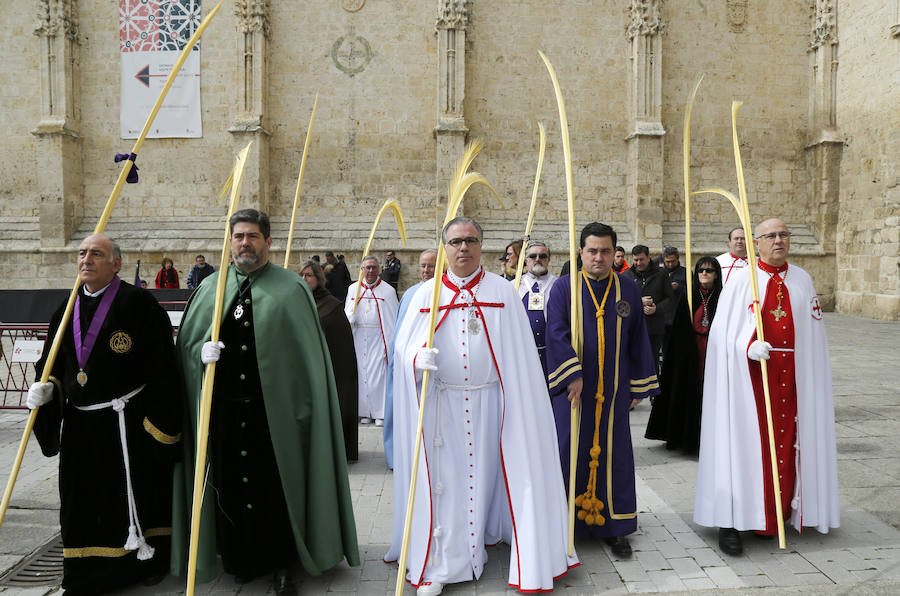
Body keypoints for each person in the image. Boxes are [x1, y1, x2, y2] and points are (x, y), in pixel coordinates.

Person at [386, 217, 578, 595]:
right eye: (456, 241)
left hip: (493, 402)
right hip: (442, 406)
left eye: (471, 240)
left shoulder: (503, 292)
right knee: (449, 484)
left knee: (492, 475)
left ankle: (491, 538)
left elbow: (521, 356)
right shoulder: (426, 294)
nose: (463, 248)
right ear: (445, 247)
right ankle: (445, 562)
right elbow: (402, 348)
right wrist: (414, 360)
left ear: (481, 246)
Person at [173, 209, 359, 595]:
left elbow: (308, 362)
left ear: (268, 242)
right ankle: (240, 558)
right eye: (239, 236)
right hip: (224, 411)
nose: (246, 243)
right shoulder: (211, 288)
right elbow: (189, 348)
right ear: (230, 241)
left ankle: (282, 564)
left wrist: (304, 409)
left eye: (253, 236)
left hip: (275, 417)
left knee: (275, 489)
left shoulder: (291, 290)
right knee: (231, 487)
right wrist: (199, 356)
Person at [29, 233, 180, 594]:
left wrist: (158, 426)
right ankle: (83, 571)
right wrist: (47, 388)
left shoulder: (140, 305)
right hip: (82, 425)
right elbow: (56, 364)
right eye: (82, 253)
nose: (86, 260)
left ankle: (140, 564)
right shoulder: (64, 310)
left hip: (127, 422)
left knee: (133, 495)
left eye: (96, 254)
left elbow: (163, 369)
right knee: (80, 497)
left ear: (116, 263)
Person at [694, 218, 839, 557]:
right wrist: (745, 346)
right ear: (756, 243)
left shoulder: (802, 279)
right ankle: (731, 522)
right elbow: (720, 336)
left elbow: (815, 335)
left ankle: (768, 518)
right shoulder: (743, 281)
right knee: (743, 448)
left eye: (784, 234)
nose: (778, 240)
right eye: (770, 236)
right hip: (750, 382)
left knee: (786, 445)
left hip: (792, 378)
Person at [545, 222, 661, 559]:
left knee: (615, 458)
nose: (599, 257)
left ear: (614, 253)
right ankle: (565, 525)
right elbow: (555, 332)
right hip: (574, 393)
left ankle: (616, 527)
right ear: (580, 252)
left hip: (614, 391)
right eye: (592, 250)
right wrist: (572, 373)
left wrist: (640, 384)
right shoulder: (564, 288)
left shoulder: (626, 289)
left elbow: (639, 339)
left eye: (606, 251)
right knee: (570, 454)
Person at [645, 256, 723, 453]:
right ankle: (684, 437)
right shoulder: (688, 296)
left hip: (713, 350)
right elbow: (679, 326)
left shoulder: (723, 296)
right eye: (701, 270)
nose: (704, 274)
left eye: (709, 270)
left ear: (716, 274)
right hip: (690, 350)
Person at [383, 248, 437, 469]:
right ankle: (398, 456)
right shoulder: (410, 294)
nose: (426, 270)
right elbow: (400, 331)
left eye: (431, 266)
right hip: (407, 363)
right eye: (423, 265)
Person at [301, 260, 359, 463]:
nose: (304, 279)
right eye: (302, 275)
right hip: (302, 368)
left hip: (328, 368)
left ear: (319, 278)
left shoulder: (332, 305)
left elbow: (342, 346)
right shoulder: (297, 302)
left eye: (309, 275)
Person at [345, 255, 398, 426]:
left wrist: (389, 343)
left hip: (378, 337)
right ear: (361, 270)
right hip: (359, 336)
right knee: (361, 374)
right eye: (367, 267)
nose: (370, 271)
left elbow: (392, 318)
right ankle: (364, 411)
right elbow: (347, 312)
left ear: (379, 269)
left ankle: (379, 412)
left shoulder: (388, 291)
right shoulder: (353, 289)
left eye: (374, 267)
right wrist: (349, 319)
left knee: (378, 375)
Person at [623, 244, 673, 373]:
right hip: (633, 328)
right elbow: (621, 303)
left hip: (654, 328)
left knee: (652, 362)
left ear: (648, 258)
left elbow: (670, 299)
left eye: (641, 259)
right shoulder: (626, 276)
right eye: (635, 260)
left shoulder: (661, 274)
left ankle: (653, 391)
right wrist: (638, 302)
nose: (638, 263)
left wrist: (656, 309)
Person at [515, 241, 557, 377]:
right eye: (533, 256)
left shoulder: (559, 285)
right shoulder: (514, 285)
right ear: (526, 260)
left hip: (551, 355)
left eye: (542, 256)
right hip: (523, 355)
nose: (537, 259)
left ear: (549, 259)